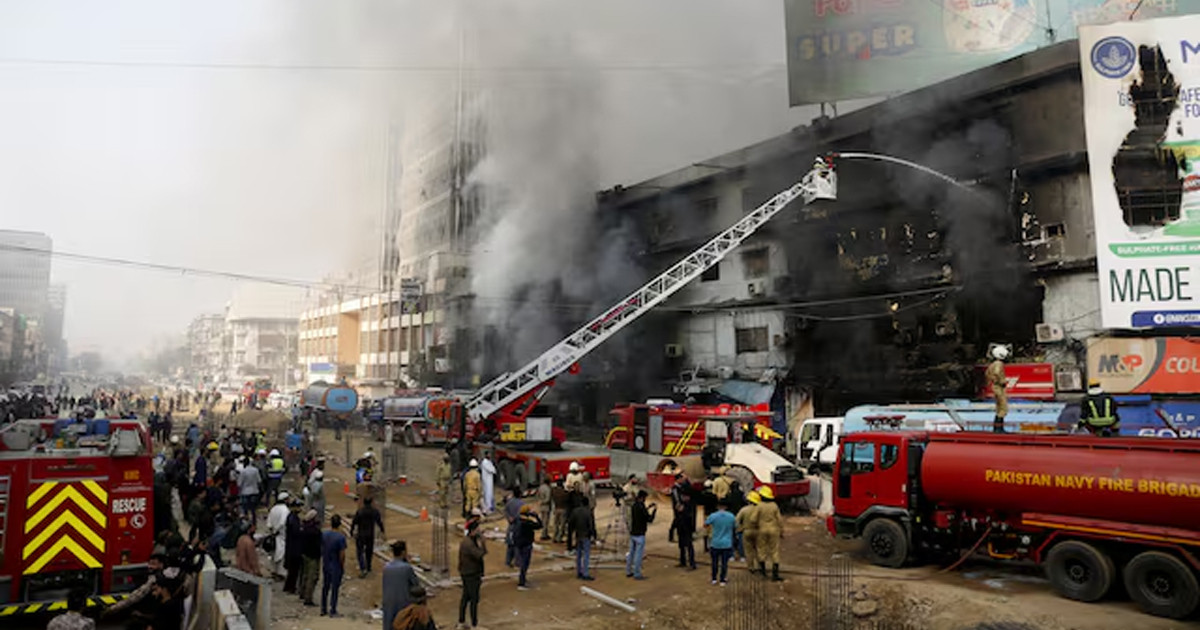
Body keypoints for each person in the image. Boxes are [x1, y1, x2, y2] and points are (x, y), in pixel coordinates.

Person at [382, 540, 420, 630]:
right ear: (403, 552)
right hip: (403, 602)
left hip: (388, 602)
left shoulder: (386, 568)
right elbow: (415, 584)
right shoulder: (406, 568)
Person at [458, 518, 487, 628]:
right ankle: (474, 623)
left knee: (466, 596)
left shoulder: (470, 540)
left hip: (469, 572)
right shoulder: (468, 543)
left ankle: (462, 620)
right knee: (473, 599)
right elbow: (480, 554)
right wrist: (483, 543)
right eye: (478, 529)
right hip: (471, 573)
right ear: (473, 531)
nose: (479, 531)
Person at [351, 497, 386, 577]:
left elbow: (354, 522)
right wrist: (382, 531)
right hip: (370, 534)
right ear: (372, 502)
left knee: (360, 551)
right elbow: (379, 522)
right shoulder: (375, 511)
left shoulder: (360, 511)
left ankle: (363, 568)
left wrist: (351, 531)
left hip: (361, 534)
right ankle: (369, 566)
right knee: (369, 551)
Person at [755, 487, 784, 582]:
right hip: (773, 529)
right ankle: (775, 575)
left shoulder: (759, 506)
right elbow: (779, 519)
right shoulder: (774, 506)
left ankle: (763, 572)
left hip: (762, 529)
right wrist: (782, 531)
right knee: (774, 551)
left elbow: (753, 519)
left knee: (761, 549)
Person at [705, 499, 737, 586]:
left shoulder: (713, 516)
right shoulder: (731, 516)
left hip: (715, 542)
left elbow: (706, 524)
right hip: (726, 543)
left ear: (718, 506)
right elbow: (736, 526)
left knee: (714, 562)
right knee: (724, 563)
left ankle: (714, 579)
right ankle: (722, 579)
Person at [321, 514, 347, 617]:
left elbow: (321, 548)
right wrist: (342, 565)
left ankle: (323, 608)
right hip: (336, 565)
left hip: (326, 563)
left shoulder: (324, 534)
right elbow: (342, 554)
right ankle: (333, 609)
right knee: (335, 588)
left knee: (325, 587)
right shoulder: (341, 537)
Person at [627, 489, 655, 580]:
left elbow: (641, 513)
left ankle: (628, 571)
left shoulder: (634, 505)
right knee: (638, 555)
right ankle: (637, 573)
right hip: (640, 534)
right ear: (643, 498)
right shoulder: (641, 506)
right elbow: (649, 519)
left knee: (631, 553)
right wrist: (654, 511)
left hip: (633, 532)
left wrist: (648, 508)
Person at [567, 494, 596, 581]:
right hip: (586, 535)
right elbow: (591, 525)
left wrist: (570, 536)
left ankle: (579, 572)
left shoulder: (575, 511)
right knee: (586, 555)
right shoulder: (588, 512)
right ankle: (585, 573)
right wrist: (594, 535)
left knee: (579, 555)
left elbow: (570, 524)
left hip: (578, 535)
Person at [671, 474, 697, 570]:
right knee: (682, 543)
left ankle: (691, 563)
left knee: (688, 543)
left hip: (686, 523)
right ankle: (683, 561)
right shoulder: (676, 491)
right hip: (681, 522)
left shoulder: (688, 504)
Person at [513, 503, 541, 590]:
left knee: (522, 563)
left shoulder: (517, 520)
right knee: (525, 563)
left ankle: (523, 579)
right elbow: (540, 525)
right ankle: (521, 582)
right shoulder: (527, 523)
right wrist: (536, 516)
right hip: (526, 544)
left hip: (518, 543)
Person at [299, 510, 323, 606]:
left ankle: (302, 593)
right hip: (313, 556)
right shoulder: (315, 531)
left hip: (305, 554)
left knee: (305, 574)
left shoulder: (304, 528)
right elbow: (319, 544)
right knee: (312, 577)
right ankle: (308, 598)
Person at [266, 491, 291, 577]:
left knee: (273, 553)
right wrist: (276, 531)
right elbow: (282, 523)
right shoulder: (285, 510)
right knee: (281, 554)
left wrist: (272, 531)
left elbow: (268, 523)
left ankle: (274, 571)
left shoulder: (273, 509)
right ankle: (280, 573)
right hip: (281, 535)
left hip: (273, 534)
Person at [986, 345, 1009, 433]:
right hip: (999, 387)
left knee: (999, 407)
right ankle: (999, 428)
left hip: (995, 386)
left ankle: (997, 428)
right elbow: (997, 372)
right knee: (1003, 407)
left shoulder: (992, 364)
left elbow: (987, 374)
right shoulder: (998, 364)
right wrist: (1002, 381)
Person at [737, 491, 761, 574]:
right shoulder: (760, 510)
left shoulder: (744, 510)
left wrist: (740, 529)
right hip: (758, 531)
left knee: (748, 550)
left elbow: (737, 521)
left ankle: (751, 567)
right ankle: (760, 566)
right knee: (759, 550)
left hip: (747, 531)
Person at [284, 498, 304, 593]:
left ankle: (289, 586)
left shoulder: (292, 517)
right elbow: (297, 532)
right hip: (294, 548)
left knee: (292, 570)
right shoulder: (293, 519)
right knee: (294, 570)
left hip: (292, 547)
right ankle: (291, 587)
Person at [550, 479, 569, 543]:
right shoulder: (564, 492)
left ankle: (554, 537)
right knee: (562, 525)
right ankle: (559, 537)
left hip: (556, 508)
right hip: (563, 509)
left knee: (556, 524)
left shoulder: (554, 491)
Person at [535, 477, 552, 541]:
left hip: (541, 506)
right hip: (546, 506)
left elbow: (537, 495)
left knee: (542, 520)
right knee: (545, 521)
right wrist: (543, 502)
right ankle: (544, 534)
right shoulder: (548, 489)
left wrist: (540, 501)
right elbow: (548, 499)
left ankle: (544, 533)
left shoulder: (540, 487)